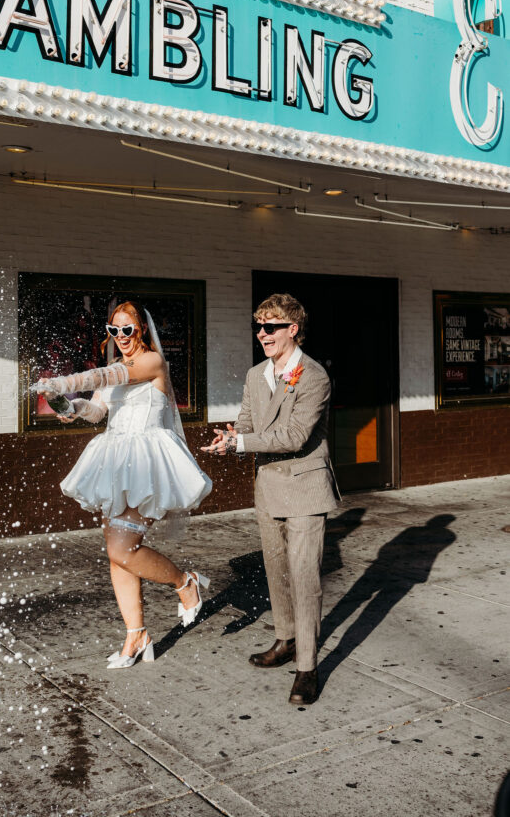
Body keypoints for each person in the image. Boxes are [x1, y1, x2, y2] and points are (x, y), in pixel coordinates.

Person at [34, 300, 212, 669]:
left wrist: (63, 381)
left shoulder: (152, 363)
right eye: (113, 331)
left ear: (141, 331)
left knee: (122, 550)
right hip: (115, 463)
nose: (120, 337)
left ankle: (185, 581)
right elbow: (96, 410)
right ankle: (136, 634)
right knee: (118, 554)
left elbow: (102, 377)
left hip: (146, 464)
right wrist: (66, 405)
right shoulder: (117, 368)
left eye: (127, 330)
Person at [203, 293, 340, 705]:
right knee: (276, 573)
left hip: (304, 489)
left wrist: (241, 441)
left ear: (292, 329)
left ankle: (307, 668)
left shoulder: (313, 376)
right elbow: (246, 423)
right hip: (268, 488)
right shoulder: (255, 375)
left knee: (304, 578)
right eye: (258, 326)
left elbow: (295, 436)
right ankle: (285, 640)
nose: (262, 334)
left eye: (271, 327)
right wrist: (229, 441)